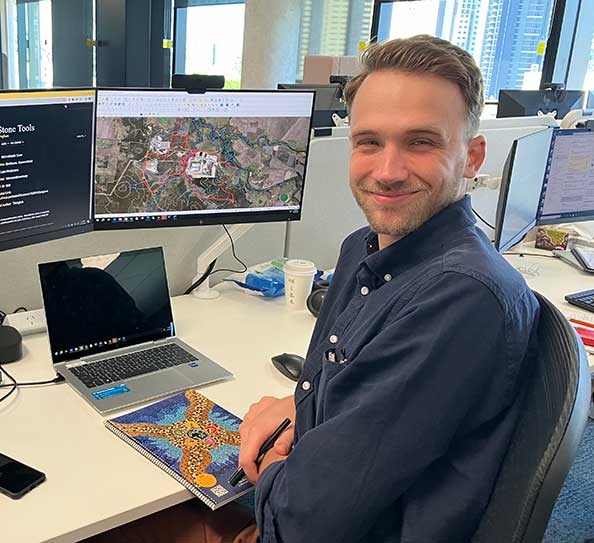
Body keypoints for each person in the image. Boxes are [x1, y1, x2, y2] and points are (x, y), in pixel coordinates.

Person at [84, 34, 539, 543]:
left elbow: (305, 519)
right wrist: (301, 407)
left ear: (472, 157)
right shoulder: (364, 251)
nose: (387, 171)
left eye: (421, 142)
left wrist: (281, 458)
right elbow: (352, 399)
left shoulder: (459, 297)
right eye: (369, 142)